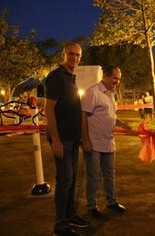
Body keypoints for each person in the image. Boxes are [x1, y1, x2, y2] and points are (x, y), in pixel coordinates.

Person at [44, 42, 89, 236]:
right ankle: (60, 225)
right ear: (64, 54)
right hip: (62, 140)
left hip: (73, 139)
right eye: (71, 54)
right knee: (64, 180)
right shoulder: (56, 77)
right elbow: (49, 110)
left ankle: (70, 215)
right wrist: (56, 140)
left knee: (71, 180)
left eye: (78, 55)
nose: (74, 58)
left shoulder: (72, 77)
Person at [81, 65, 131, 219]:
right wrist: (86, 140)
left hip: (109, 143)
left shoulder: (111, 93)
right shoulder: (92, 92)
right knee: (94, 176)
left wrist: (122, 124)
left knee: (110, 175)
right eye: (114, 78)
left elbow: (110, 115)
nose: (117, 82)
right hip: (94, 143)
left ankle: (112, 202)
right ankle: (92, 206)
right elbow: (83, 117)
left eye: (118, 79)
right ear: (105, 76)